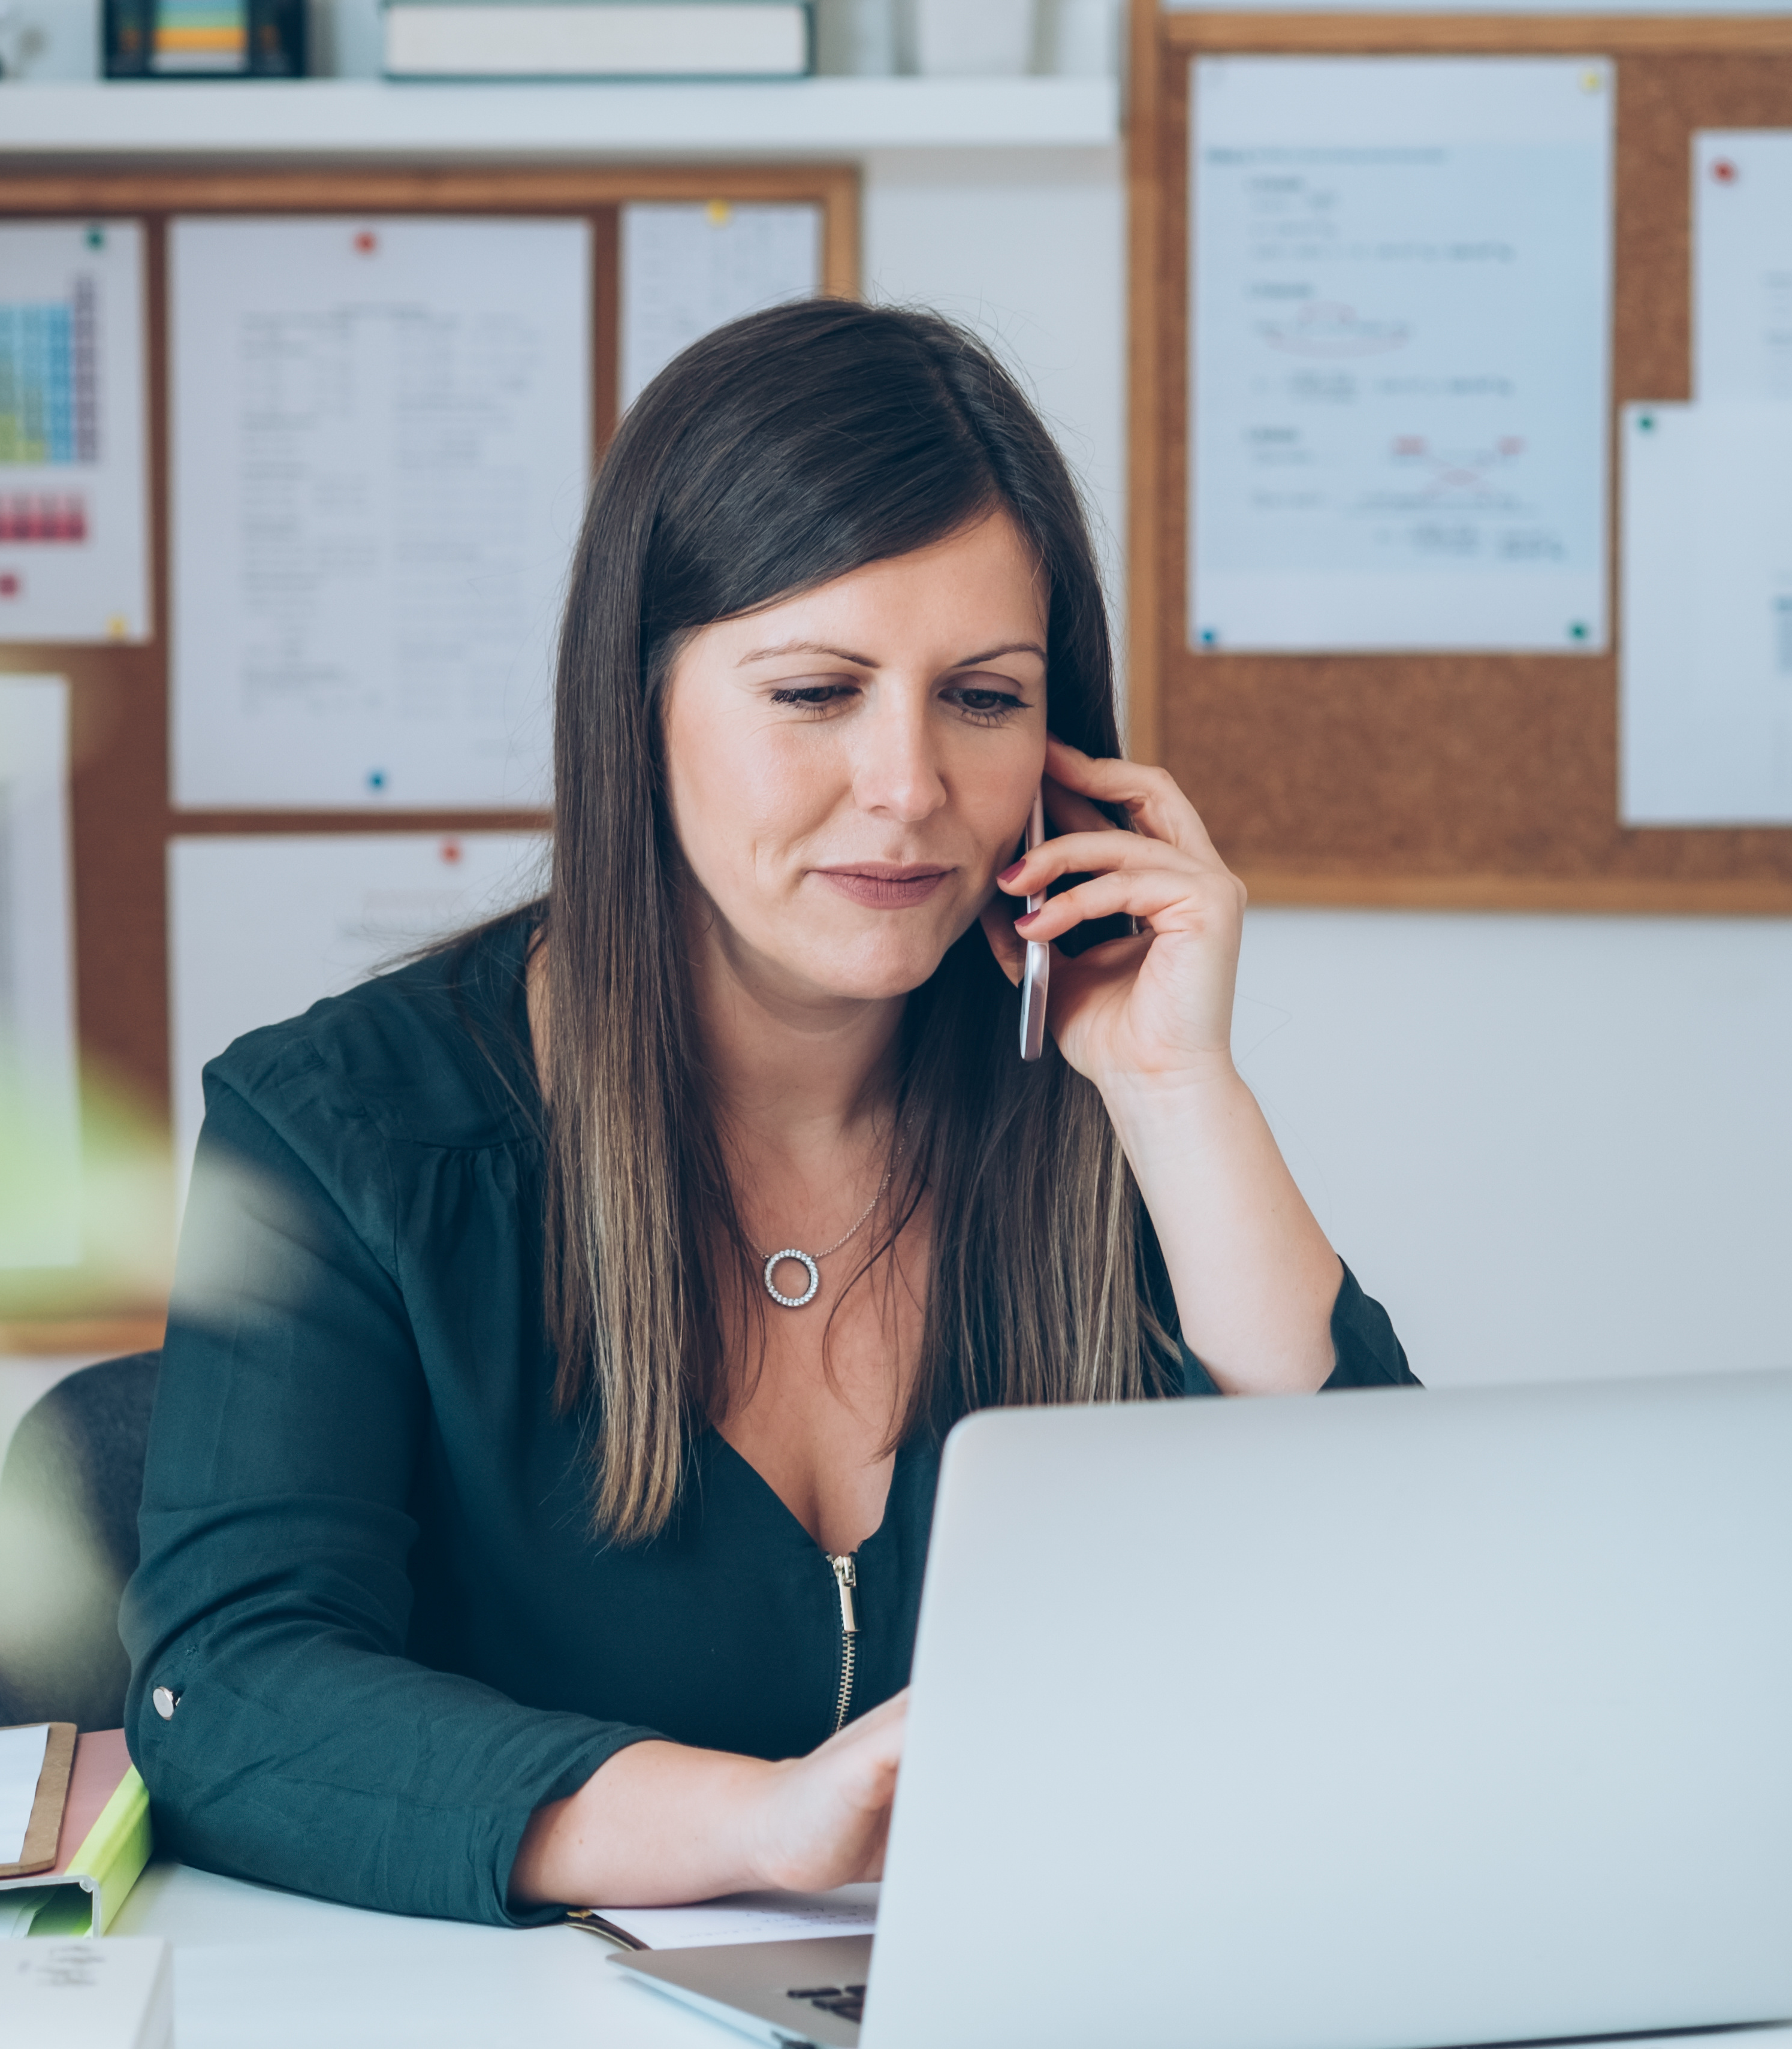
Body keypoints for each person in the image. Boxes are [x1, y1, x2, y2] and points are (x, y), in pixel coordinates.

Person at [121, 298, 1414, 1928]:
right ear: (639, 701)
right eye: (814, 691)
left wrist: (1175, 1093)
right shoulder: (347, 1130)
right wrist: (763, 1823)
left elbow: (1401, 1615)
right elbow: (231, 1694)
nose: (908, 785)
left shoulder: (1099, 1096)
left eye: (983, 698)